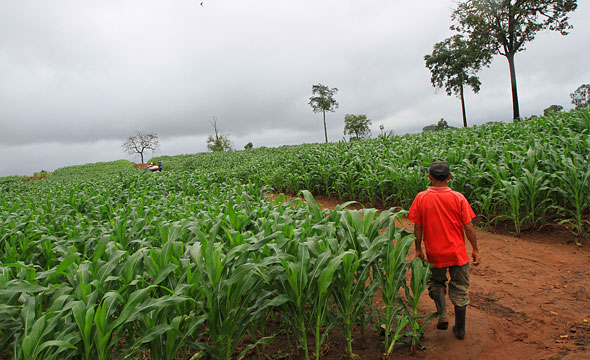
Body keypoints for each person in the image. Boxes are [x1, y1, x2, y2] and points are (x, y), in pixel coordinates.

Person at [407, 161, 480, 340]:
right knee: (460, 288)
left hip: (435, 253)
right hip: (457, 254)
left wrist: (418, 249)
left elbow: (418, 227)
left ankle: (442, 314)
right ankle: (460, 329)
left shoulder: (421, 198)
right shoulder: (458, 197)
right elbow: (468, 226)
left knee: (436, 283)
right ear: (449, 177)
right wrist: (475, 249)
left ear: (430, 177)